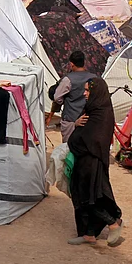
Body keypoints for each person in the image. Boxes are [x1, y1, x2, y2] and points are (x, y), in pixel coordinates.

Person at [67, 77, 124, 246]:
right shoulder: (91, 109)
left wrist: (76, 135)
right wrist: (76, 125)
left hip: (92, 163)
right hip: (84, 163)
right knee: (81, 197)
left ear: (96, 92)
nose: (84, 94)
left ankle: (113, 223)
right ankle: (88, 234)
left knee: (90, 198)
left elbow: (94, 140)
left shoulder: (101, 113)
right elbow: (79, 134)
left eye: (87, 90)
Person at [46, 51, 94, 142]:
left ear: (72, 64)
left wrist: (64, 101)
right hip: (88, 119)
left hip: (70, 120)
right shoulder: (94, 78)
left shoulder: (68, 80)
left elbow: (57, 97)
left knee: (68, 148)